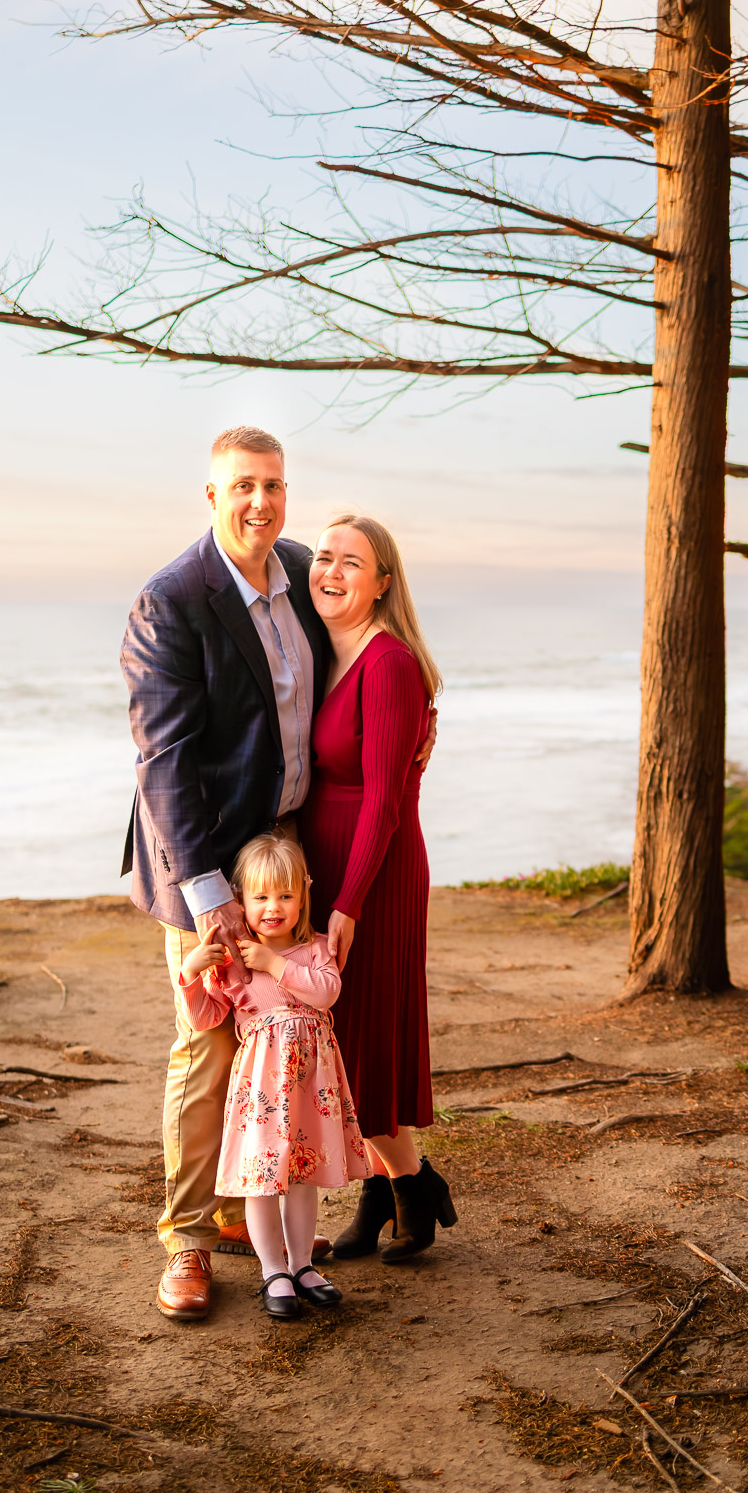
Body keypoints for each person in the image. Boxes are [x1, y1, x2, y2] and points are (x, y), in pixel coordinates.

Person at [122, 427, 434, 1321]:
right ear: (212, 495)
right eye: (243, 487)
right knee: (210, 1044)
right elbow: (165, 763)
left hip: (289, 854)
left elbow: (373, 655)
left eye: (273, 486)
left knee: (290, 1031)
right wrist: (211, 897)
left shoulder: (300, 570)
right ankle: (187, 1240)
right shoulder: (170, 602)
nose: (260, 502)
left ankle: (257, 1207)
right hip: (206, 864)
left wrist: (415, 726)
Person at [300, 516, 457, 1263]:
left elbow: (385, 800)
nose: (331, 571)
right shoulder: (323, 653)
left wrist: (349, 901)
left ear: (383, 583)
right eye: (323, 557)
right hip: (327, 868)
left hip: (375, 870)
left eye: (351, 562)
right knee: (344, 1042)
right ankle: (385, 1196)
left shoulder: (388, 663)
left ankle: (416, 1184)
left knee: (363, 1044)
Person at [176, 833, 368, 1319]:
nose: (273, 908)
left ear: (304, 894)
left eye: (285, 895)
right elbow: (204, 1019)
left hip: (309, 1088)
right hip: (262, 1090)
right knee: (263, 1181)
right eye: (260, 897)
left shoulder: (316, 949)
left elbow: (325, 993)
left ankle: (302, 1265)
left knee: (302, 1178)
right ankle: (272, 1270)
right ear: (241, 900)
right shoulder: (235, 965)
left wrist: (275, 963)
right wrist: (191, 973)